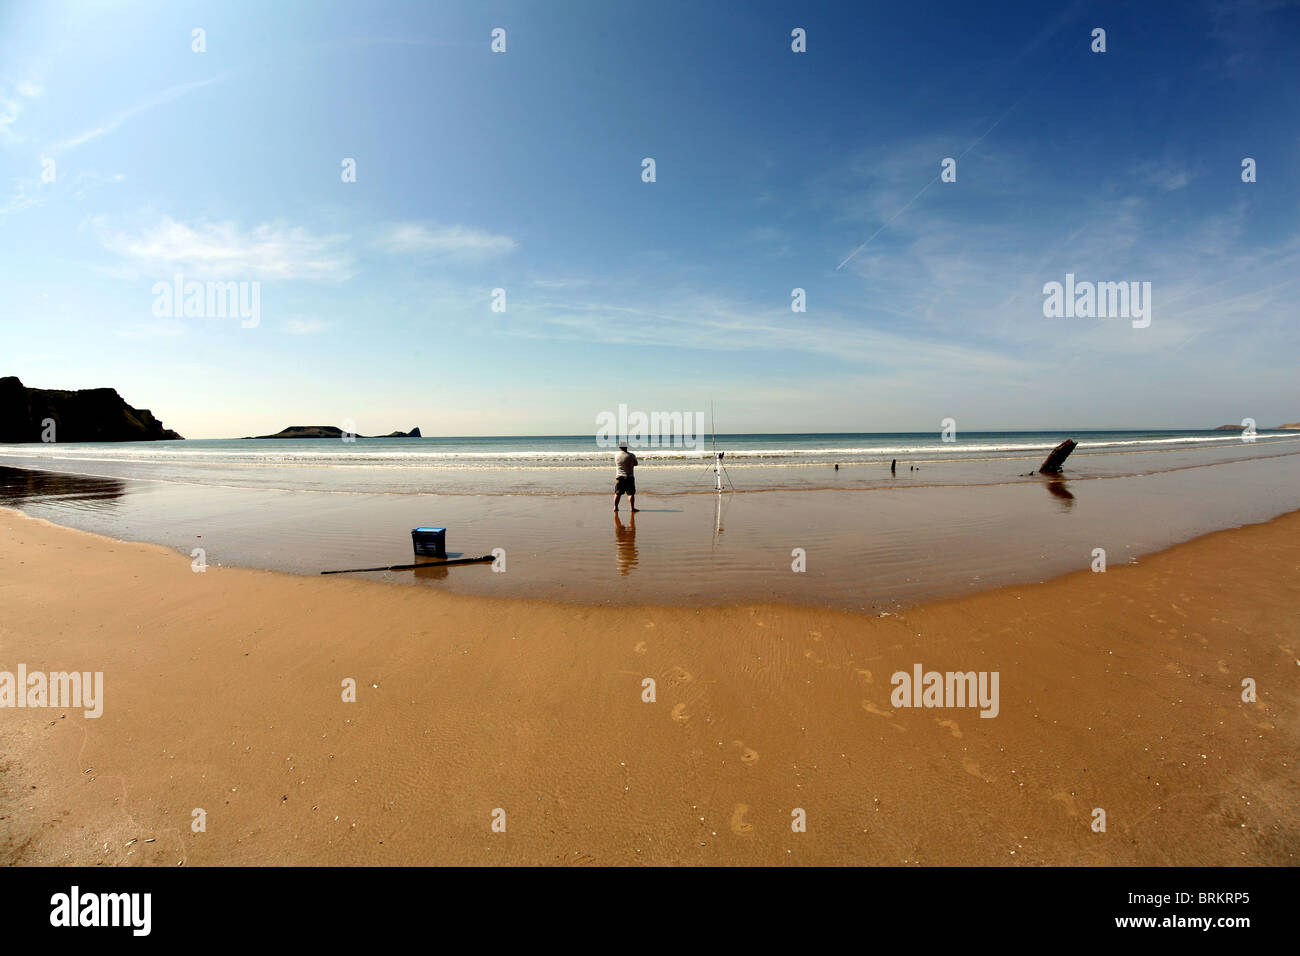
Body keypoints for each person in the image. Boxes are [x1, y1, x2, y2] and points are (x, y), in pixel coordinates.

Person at [614, 442, 638, 513]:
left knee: (617, 493)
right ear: (626, 447)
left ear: (619, 447)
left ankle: (615, 507)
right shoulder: (631, 455)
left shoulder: (616, 455)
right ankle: (632, 508)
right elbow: (636, 464)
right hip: (629, 476)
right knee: (631, 493)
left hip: (619, 476)